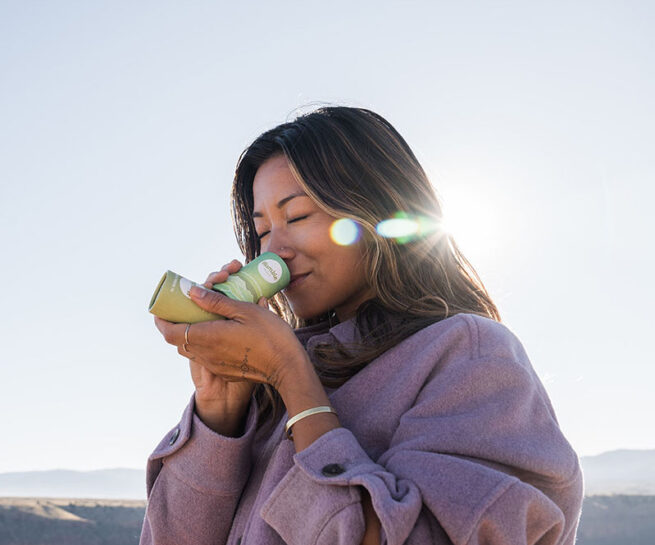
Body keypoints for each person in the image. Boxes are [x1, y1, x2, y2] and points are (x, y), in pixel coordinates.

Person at [139, 106, 584, 545]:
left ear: (377, 212)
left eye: (297, 217)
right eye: (262, 232)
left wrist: (293, 379)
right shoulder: (267, 387)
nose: (275, 252)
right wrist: (219, 408)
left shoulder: (469, 355)